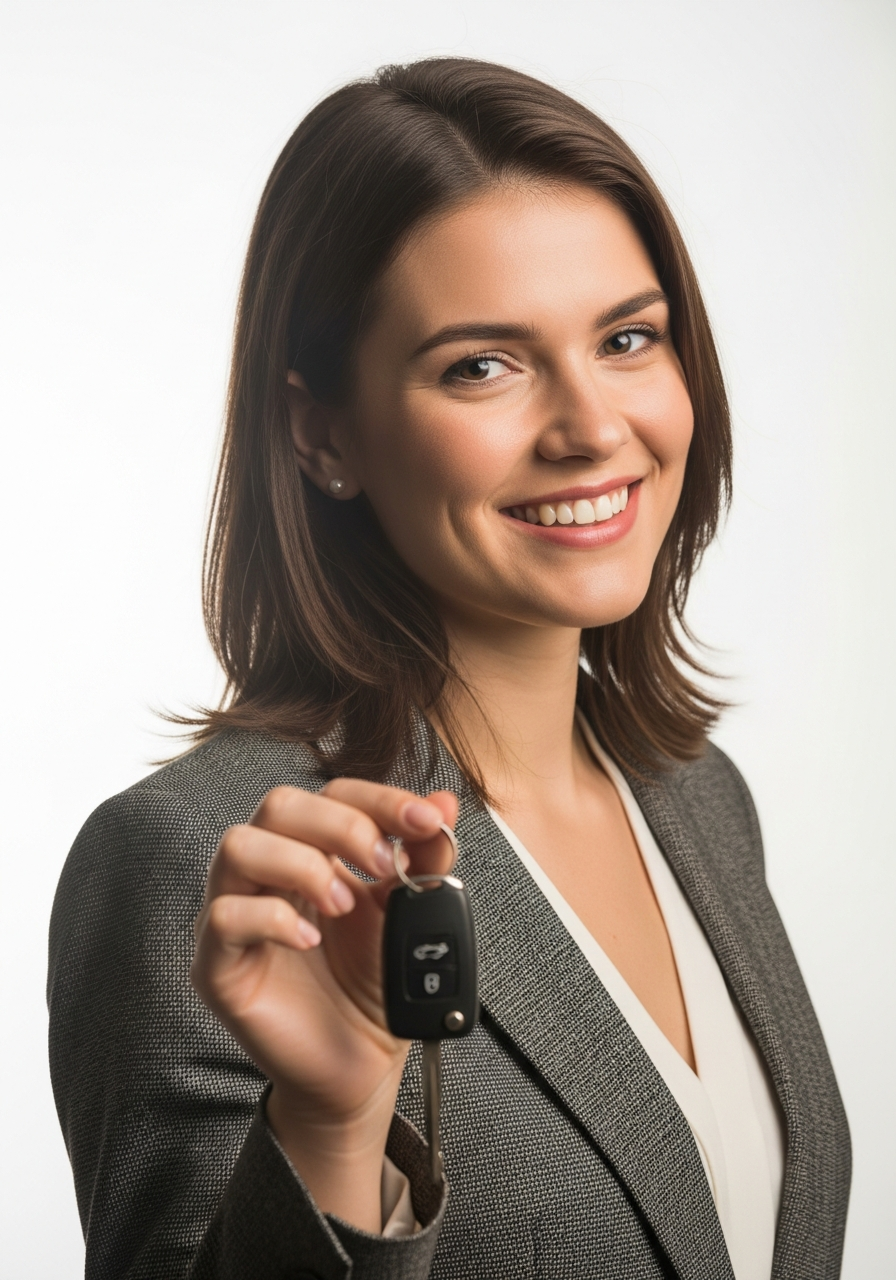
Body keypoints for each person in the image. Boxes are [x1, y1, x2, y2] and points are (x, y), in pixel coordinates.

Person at [47, 57, 850, 1280]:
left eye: (627, 338)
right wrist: (327, 1133)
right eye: (482, 364)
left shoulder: (697, 796)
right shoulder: (208, 861)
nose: (590, 426)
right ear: (322, 432)